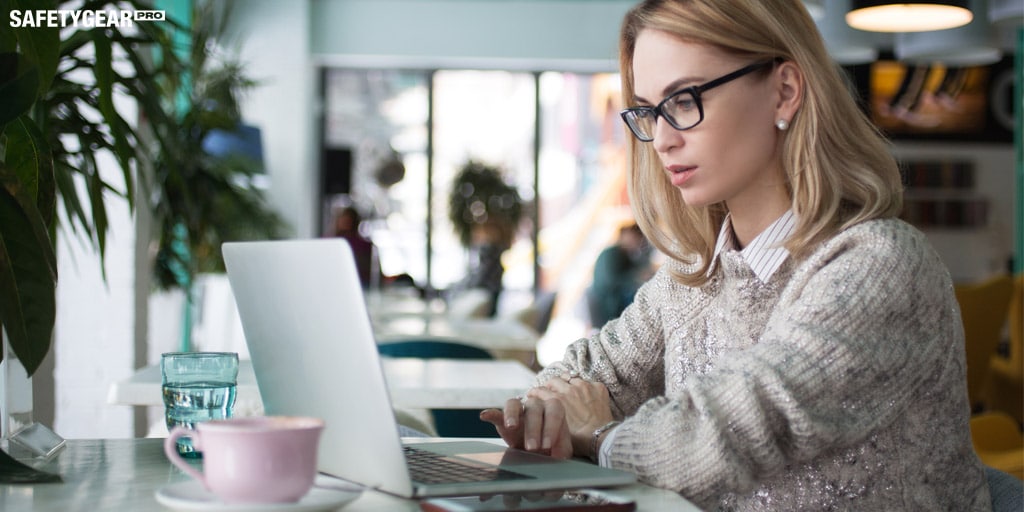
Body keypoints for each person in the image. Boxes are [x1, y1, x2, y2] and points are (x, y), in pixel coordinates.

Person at [480, 1, 991, 509]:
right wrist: (551, 411)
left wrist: (600, 435)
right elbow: (584, 373)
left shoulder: (880, 265)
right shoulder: (695, 278)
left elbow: (729, 431)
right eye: (649, 111)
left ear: (784, 92)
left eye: (683, 100)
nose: (661, 139)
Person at [589, 223, 653, 326]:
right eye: (634, 237)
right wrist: (636, 277)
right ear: (625, 235)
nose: (636, 242)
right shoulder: (612, 253)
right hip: (608, 304)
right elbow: (609, 281)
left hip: (614, 302)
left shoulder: (625, 255)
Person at [332, 206, 376, 288]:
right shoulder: (330, 242)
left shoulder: (363, 245)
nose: (344, 222)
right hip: (335, 282)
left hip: (360, 283)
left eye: (348, 219)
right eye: (343, 218)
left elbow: (367, 270)